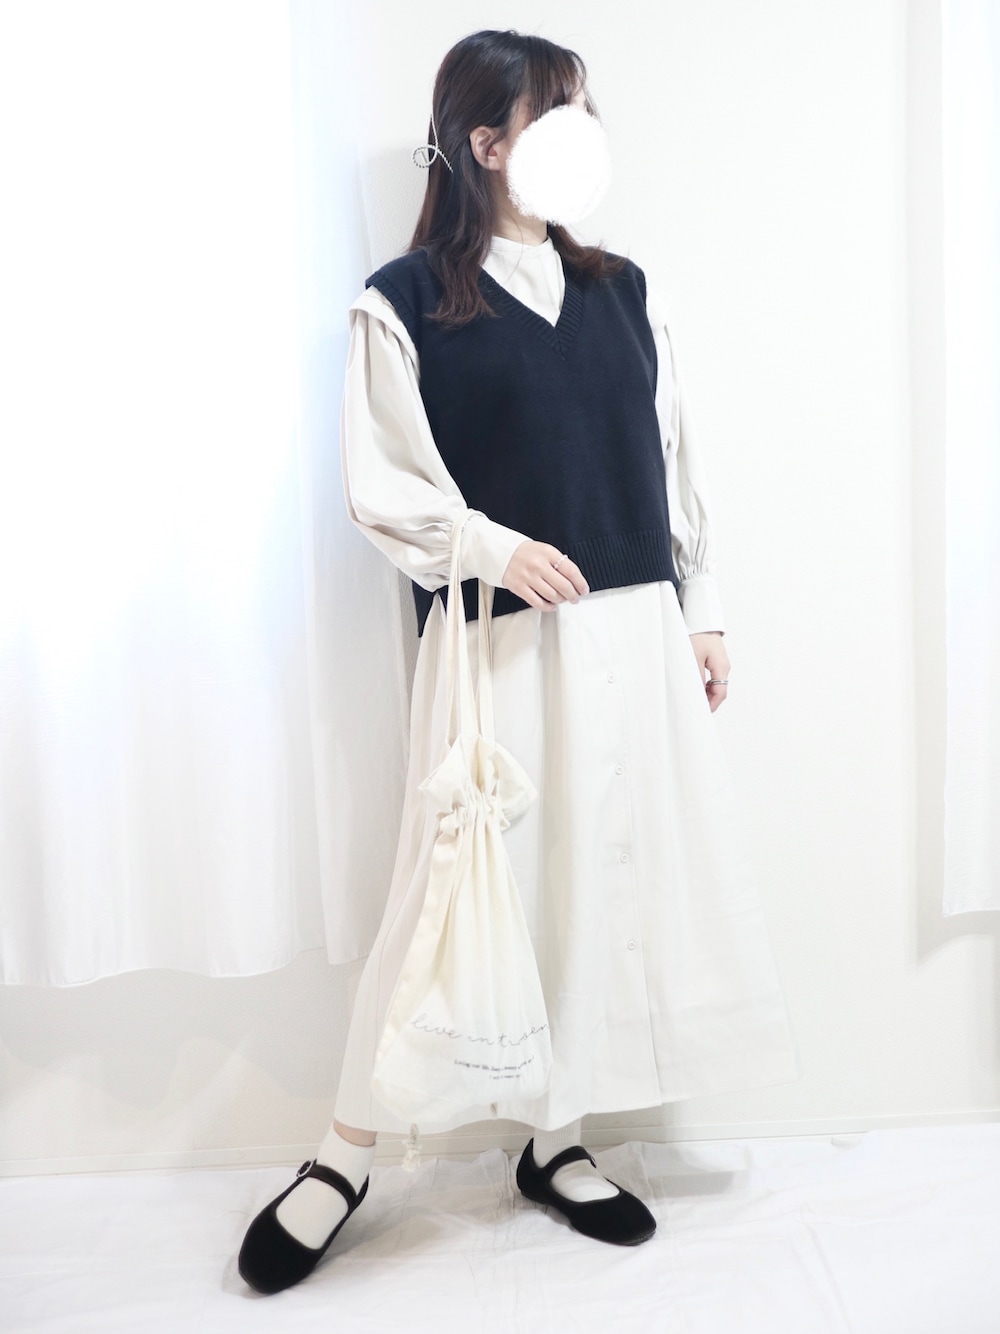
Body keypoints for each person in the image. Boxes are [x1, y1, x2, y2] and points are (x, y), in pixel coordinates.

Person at [238, 27, 800, 1296]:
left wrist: (701, 606)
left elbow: (670, 453)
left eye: (586, 109)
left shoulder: (625, 291)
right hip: (495, 645)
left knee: (593, 882)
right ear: (486, 142)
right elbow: (383, 484)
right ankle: (343, 1155)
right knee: (448, 890)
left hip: (631, 630)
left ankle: (556, 1138)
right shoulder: (402, 302)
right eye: (556, 113)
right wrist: (490, 544)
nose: (581, 135)